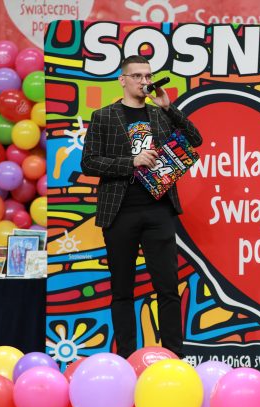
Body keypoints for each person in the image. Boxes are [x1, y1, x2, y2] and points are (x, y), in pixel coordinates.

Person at [81, 55, 202, 358]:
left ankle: (174, 356)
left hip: (159, 210)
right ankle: (126, 359)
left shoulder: (160, 114)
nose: (144, 81)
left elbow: (195, 138)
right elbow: (89, 163)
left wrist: (168, 107)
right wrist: (131, 162)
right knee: (122, 291)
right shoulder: (104, 116)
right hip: (119, 212)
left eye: (147, 76)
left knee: (168, 289)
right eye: (137, 76)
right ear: (122, 80)